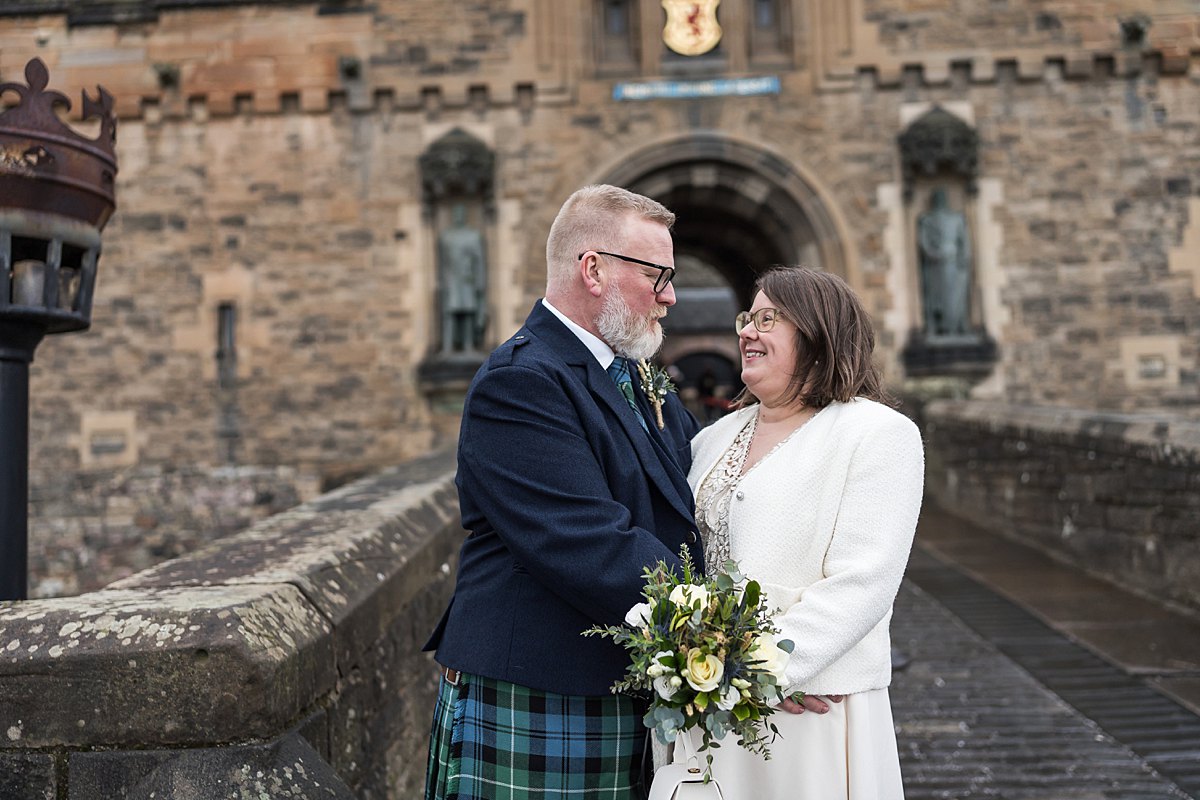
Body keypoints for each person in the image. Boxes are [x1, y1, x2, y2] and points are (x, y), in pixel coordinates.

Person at [423, 184, 705, 800]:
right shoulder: (521, 381)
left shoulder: (633, 375)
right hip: (538, 691)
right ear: (594, 269)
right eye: (657, 275)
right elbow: (587, 542)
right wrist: (723, 627)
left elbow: (695, 493)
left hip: (624, 687)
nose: (671, 296)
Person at [688, 267, 924, 799]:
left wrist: (758, 671)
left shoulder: (877, 435)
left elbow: (864, 581)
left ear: (819, 331)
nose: (746, 331)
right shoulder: (710, 440)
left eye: (767, 318)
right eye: (747, 317)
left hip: (812, 712)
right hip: (706, 705)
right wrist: (699, 668)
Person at [917, 187, 972, 337]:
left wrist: (962, 259)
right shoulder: (927, 220)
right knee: (937, 299)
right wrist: (934, 254)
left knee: (955, 297)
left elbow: (964, 242)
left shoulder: (956, 219)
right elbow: (924, 243)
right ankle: (938, 326)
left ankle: (956, 325)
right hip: (935, 266)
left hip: (953, 263)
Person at [438, 202, 488, 352]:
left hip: (467, 280)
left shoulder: (472, 236)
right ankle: (447, 347)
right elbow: (442, 262)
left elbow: (479, 261)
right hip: (451, 280)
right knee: (450, 313)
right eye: (456, 213)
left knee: (468, 313)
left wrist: (480, 282)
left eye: (461, 213)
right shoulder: (446, 236)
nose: (458, 216)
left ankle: (469, 345)